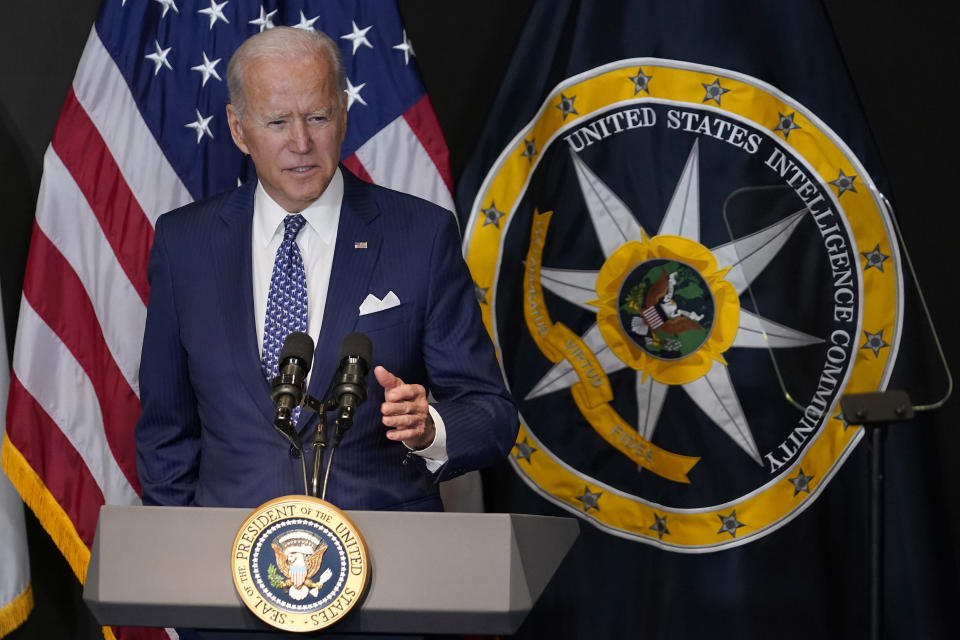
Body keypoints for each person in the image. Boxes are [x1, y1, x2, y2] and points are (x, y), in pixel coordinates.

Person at [134, 26, 517, 512]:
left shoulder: (420, 236)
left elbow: (492, 413)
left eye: (317, 117)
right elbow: (166, 431)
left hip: (385, 561)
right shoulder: (184, 244)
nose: (301, 142)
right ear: (238, 129)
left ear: (342, 116)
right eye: (277, 122)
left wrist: (429, 429)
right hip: (228, 566)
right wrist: (179, 559)